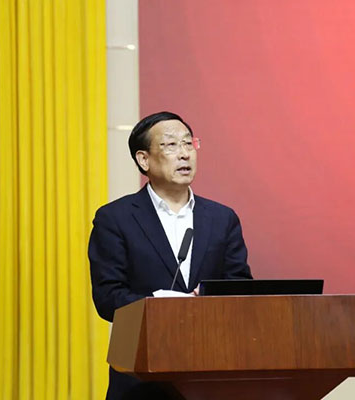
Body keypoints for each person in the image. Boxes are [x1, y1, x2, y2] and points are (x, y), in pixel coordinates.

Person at [88, 111, 252, 400]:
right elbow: (108, 298)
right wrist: (161, 302)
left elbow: (240, 288)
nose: (184, 154)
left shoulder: (222, 218)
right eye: (171, 145)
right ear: (144, 159)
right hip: (142, 380)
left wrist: (208, 300)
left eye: (189, 143)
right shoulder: (115, 218)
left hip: (211, 373)